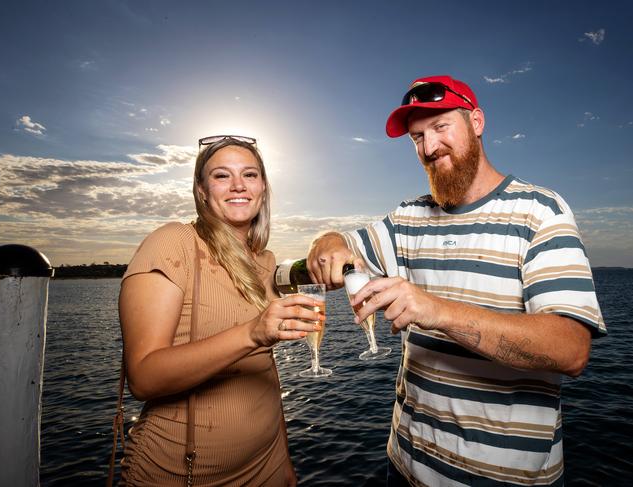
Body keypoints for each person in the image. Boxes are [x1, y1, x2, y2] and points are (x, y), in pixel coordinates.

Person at [308, 75, 607, 486]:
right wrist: (330, 243)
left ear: (477, 122)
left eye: (440, 127)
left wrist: (437, 311)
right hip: (404, 468)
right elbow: (340, 242)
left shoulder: (542, 212)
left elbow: (570, 349)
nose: (429, 148)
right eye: (417, 138)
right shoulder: (408, 217)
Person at [118, 135, 323, 486]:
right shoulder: (174, 242)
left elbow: (264, 370)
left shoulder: (264, 260)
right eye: (222, 176)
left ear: (263, 188)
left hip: (267, 466)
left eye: (250, 174)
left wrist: (284, 459)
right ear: (201, 190)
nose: (239, 185)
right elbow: (143, 377)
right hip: (181, 474)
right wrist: (251, 333)